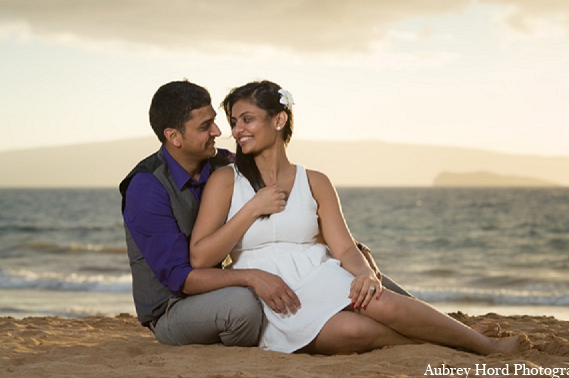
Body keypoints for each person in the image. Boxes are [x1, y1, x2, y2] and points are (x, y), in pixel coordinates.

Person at [189, 80, 532, 355]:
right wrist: (252, 209)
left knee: (378, 301)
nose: (236, 130)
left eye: (246, 119)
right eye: (234, 122)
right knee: (354, 331)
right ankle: (454, 338)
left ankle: (486, 347)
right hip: (274, 296)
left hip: (320, 275)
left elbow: (344, 247)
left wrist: (365, 273)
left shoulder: (316, 181)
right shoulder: (225, 181)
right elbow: (201, 257)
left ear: (278, 120)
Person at [119, 80, 415, 350]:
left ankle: (419, 317)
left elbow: (299, 216)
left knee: (353, 270)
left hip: (218, 288)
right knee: (242, 306)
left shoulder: (224, 164)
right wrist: (252, 277)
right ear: (174, 137)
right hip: (174, 307)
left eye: (217, 122)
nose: (219, 132)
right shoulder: (146, 187)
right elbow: (181, 278)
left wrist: (357, 254)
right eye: (205, 126)